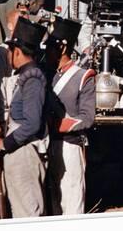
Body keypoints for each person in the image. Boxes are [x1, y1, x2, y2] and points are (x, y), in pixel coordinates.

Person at [0, 18, 48, 218]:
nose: (8, 55)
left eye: (11, 51)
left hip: (24, 152)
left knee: (28, 213)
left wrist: (5, 143)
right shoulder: (27, 75)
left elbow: (32, 123)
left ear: (18, 52)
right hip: (20, 151)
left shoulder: (33, 79)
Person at [45, 17, 96, 215]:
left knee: (72, 200)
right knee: (55, 201)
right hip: (50, 144)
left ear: (63, 48)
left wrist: (57, 125)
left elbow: (87, 117)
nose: (47, 52)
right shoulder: (49, 75)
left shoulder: (83, 76)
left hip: (70, 144)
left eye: (50, 47)